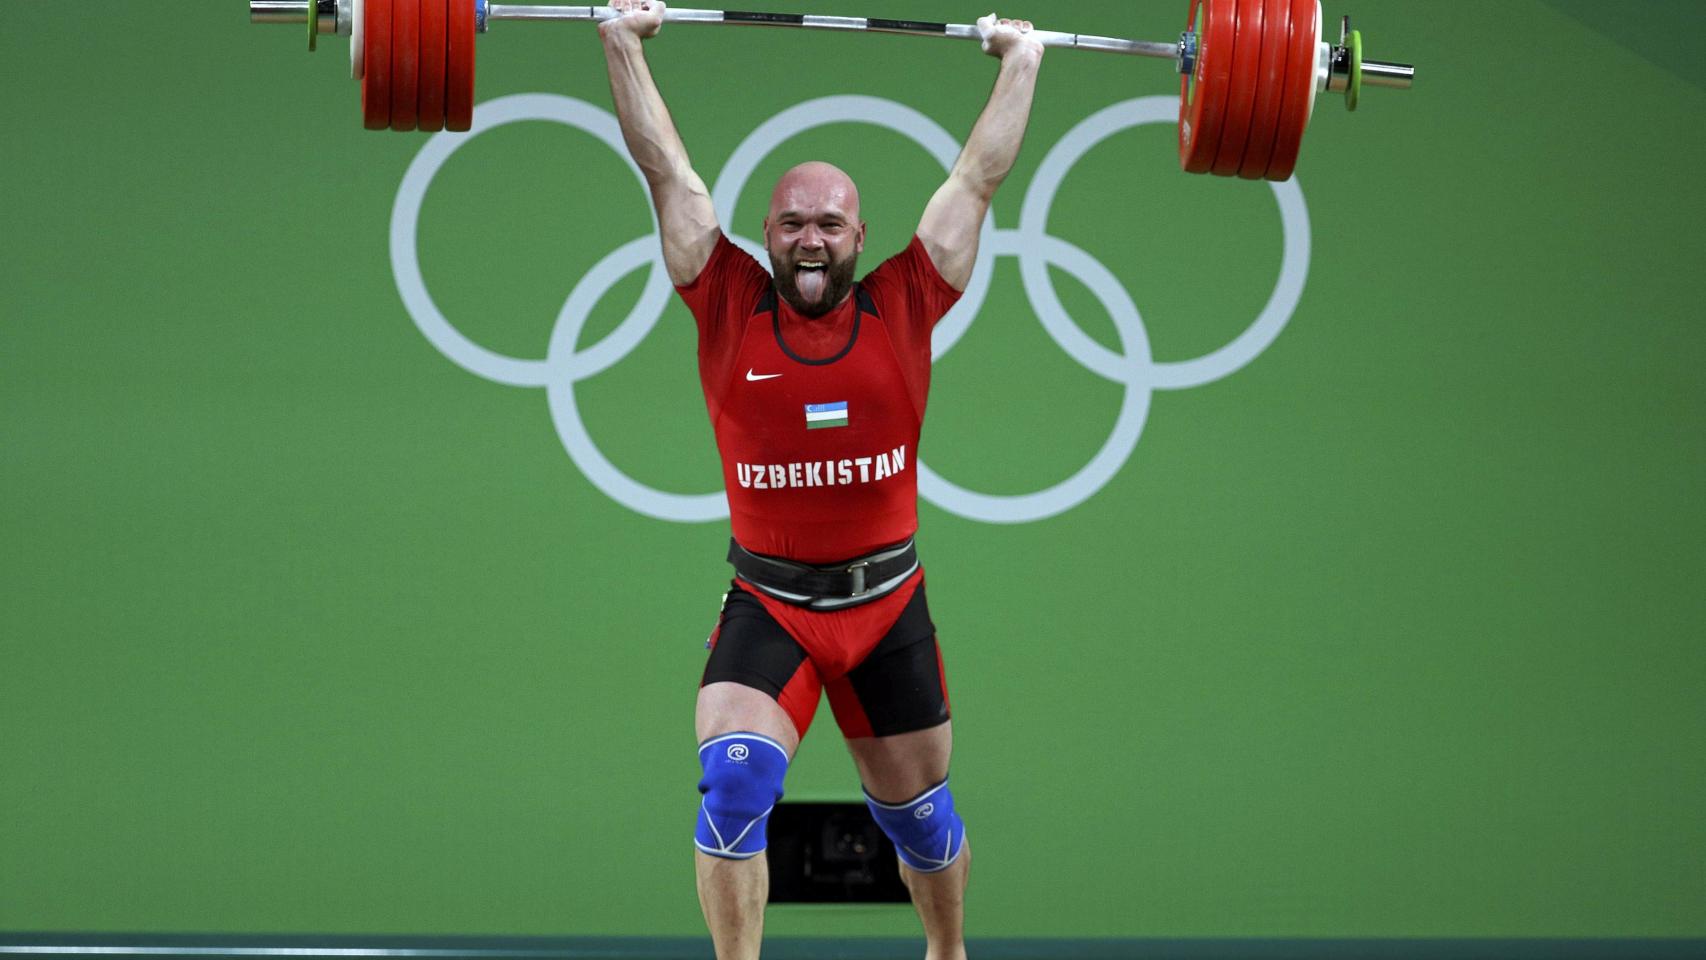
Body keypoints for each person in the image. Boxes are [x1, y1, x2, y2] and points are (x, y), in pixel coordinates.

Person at [597, 3, 1043, 957]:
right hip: (773, 604)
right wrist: (619, 43)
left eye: (829, 224)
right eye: (793, 222)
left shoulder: (908, 301)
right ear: (765, 231)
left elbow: (978, 174)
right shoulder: (724, 300)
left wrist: (1023, 59)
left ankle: (948, 953)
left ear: (857, 233)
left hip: (888, 606)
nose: (810, 239)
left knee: (923, 822)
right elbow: (666, 169)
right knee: (734, 792)